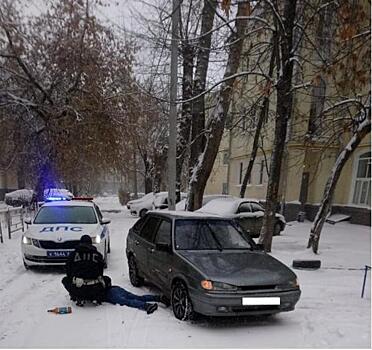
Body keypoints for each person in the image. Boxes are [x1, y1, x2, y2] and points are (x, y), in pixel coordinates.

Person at [62, 235, 108, 306]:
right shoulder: (98, 255)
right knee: (107, 279)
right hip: (95, 288)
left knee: (65, 280)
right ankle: (96, 298)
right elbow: (100, 272)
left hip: (78, 288)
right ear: (91, 243)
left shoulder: (73, 255)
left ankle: (77, 297)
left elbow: (68, 270)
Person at [104, 280, 169, 314]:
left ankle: (147, 306)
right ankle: (158, 298)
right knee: (137, 297)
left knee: (127, 301)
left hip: (109, 293)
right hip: (115, 288)